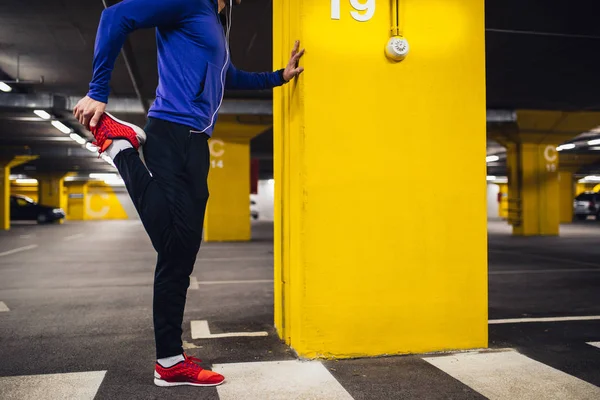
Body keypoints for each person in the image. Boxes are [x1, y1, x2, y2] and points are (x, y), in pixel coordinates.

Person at [73, 0, 304, 388]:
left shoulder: (215, 23)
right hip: (171, 132)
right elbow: (116, 16)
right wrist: (98, 91)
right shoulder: (189, 3)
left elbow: (228, 76)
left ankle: (169, 362)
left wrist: (280, 76)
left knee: (180, 252)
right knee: (175, 249)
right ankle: (120, 150)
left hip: (195, 142)